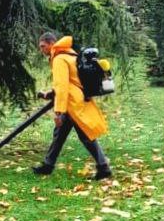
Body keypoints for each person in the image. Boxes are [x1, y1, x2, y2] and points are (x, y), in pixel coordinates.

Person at [33, 32, 112, 181]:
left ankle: (103, 168)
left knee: (86, 136)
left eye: (43, 46)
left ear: (51, 43)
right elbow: (71, 81)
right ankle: (48, 165)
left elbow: (62, 87)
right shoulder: (70, 55)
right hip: (76, 100)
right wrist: (50, 94)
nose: (41, 50)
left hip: (72, 104)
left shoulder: (59, 59)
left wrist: (58, 113)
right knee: (59, 135)